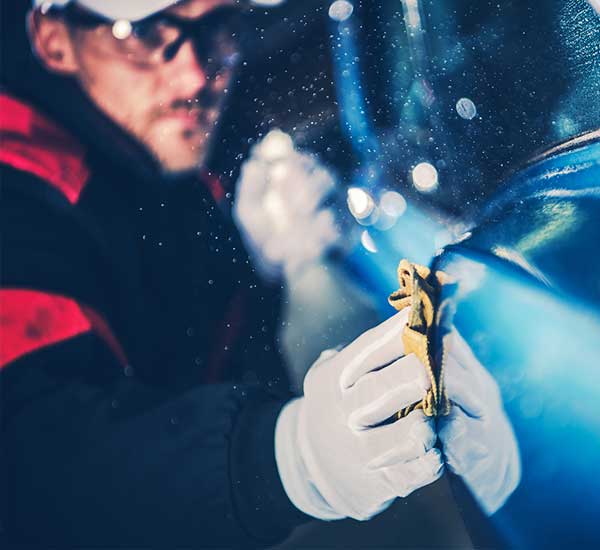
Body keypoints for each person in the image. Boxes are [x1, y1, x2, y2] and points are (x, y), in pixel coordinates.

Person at [0, 0, 519, 547]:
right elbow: (33, 469)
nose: (197, 73)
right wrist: (287, 458)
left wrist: (246, 265)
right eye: (150, 32)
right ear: (53, 37)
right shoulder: (16, 196)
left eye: (216, 26)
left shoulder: (177, 144)